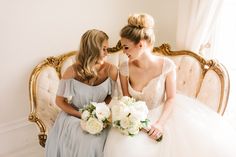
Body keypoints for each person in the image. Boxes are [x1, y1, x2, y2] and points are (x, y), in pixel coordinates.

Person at [104, 13, 236, 157]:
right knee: (127, 148)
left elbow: (171, 98)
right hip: (135, 119)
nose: (123, 51)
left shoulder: (167, 66)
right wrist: (135, 121)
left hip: (162, 115)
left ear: (140, 45)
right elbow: (127, 100)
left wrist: (159, 124)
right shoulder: (125, 68)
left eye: (126, 47)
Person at [45, 29, 118, 157]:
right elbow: (59, 101)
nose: (107, 53)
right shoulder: (71, 71)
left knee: (104, 141)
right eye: (104, 49)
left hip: (99, 117)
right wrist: (82, 115)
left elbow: (110, 96)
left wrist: (100, 111)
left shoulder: (111, 70)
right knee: (88, 141)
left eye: (108, 48)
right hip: (73, 116)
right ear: (92, 49)